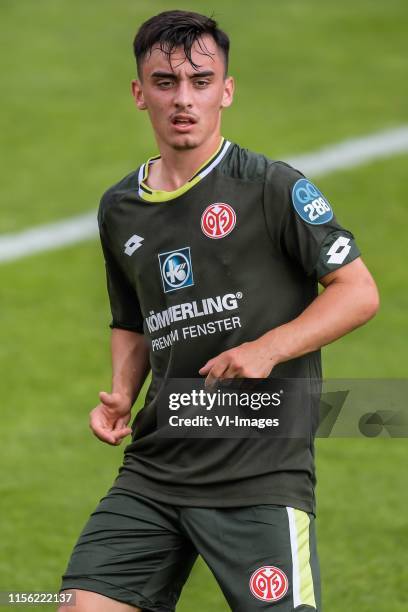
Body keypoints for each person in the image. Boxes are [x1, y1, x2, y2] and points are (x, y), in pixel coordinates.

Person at [58, 9, 379, 612]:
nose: (184, 99)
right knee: (81, 606)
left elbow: (357, 291)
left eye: (201, 82)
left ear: (225, 91)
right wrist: (123, 392)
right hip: (157, 467)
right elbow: (132, 318)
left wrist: (267, 350)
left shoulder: (271, 187)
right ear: (139, 93)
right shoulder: (120, 208)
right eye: (165, 82)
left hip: (257, 471)